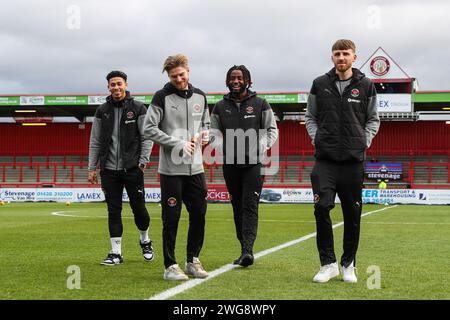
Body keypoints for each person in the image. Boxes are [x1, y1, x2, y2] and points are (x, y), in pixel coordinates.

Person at [305, 39, 380, 283]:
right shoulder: (319, 84)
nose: (341, 57)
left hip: (352, 161)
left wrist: (363, 141)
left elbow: (373, 120)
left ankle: (349, 264)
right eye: (337, 54)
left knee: (352, 214)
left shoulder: (366, 85)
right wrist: (318, 139)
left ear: (354, 57)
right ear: (332, 57)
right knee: (321, 207)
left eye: (345, 53)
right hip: (325, 160)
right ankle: (328, 264)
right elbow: (310, 117)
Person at [143, 54, 210, 280]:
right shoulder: (161, 97)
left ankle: (193, 260)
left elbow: (207, 124)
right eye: (174, 77)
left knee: (199, 214)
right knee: (171, 218)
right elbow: (148, 128)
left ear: (188, 71)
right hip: (171, 171)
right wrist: (178, 143)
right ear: (168, 76)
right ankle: (170, 266)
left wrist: (206, 135)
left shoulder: (201, 96)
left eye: (181, 75)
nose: (179, 79)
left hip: (196, 169)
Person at [210, 65, 278, 267]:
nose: (236, 81)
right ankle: (243, 249)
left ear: (248, 80)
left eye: (240, 78)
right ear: (227, 81)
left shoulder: (260, 103)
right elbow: (213, 133)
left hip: (253, 165)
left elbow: (272, 130)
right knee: (237, 207)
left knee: (250, 205)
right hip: (230, 165)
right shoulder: (219, 107)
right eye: (232, 78)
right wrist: (224, 149)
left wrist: (260, 147)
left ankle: (248, 250)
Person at [88, 70, 154, 266]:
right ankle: (116, 252)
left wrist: (142, 161)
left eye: (119, 83)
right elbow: (95, 141)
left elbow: (147, 136)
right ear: (108, 87)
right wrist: (92, 167)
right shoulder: (102, 111)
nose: (116, 87)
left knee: (139, 209)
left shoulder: (139, 108)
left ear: (125, 85)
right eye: (112, 84)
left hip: (133, 169)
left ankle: (145, 240)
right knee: (113, 210)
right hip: (109, 170)